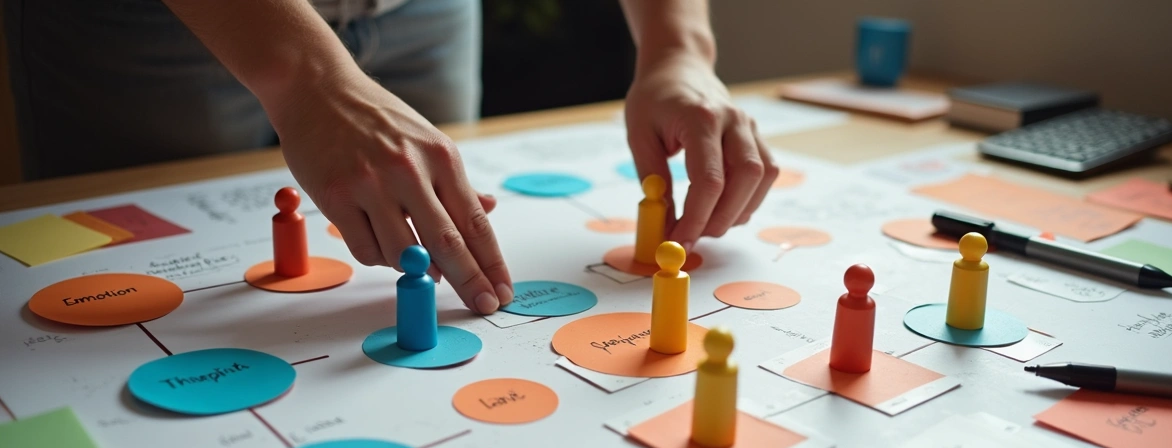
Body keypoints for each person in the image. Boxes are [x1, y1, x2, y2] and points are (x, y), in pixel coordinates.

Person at [4, 0, 778, 315]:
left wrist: (680, 46)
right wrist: (307, 77)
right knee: (131, 277)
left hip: (424, 12)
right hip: (164, 22)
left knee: (427, 213)